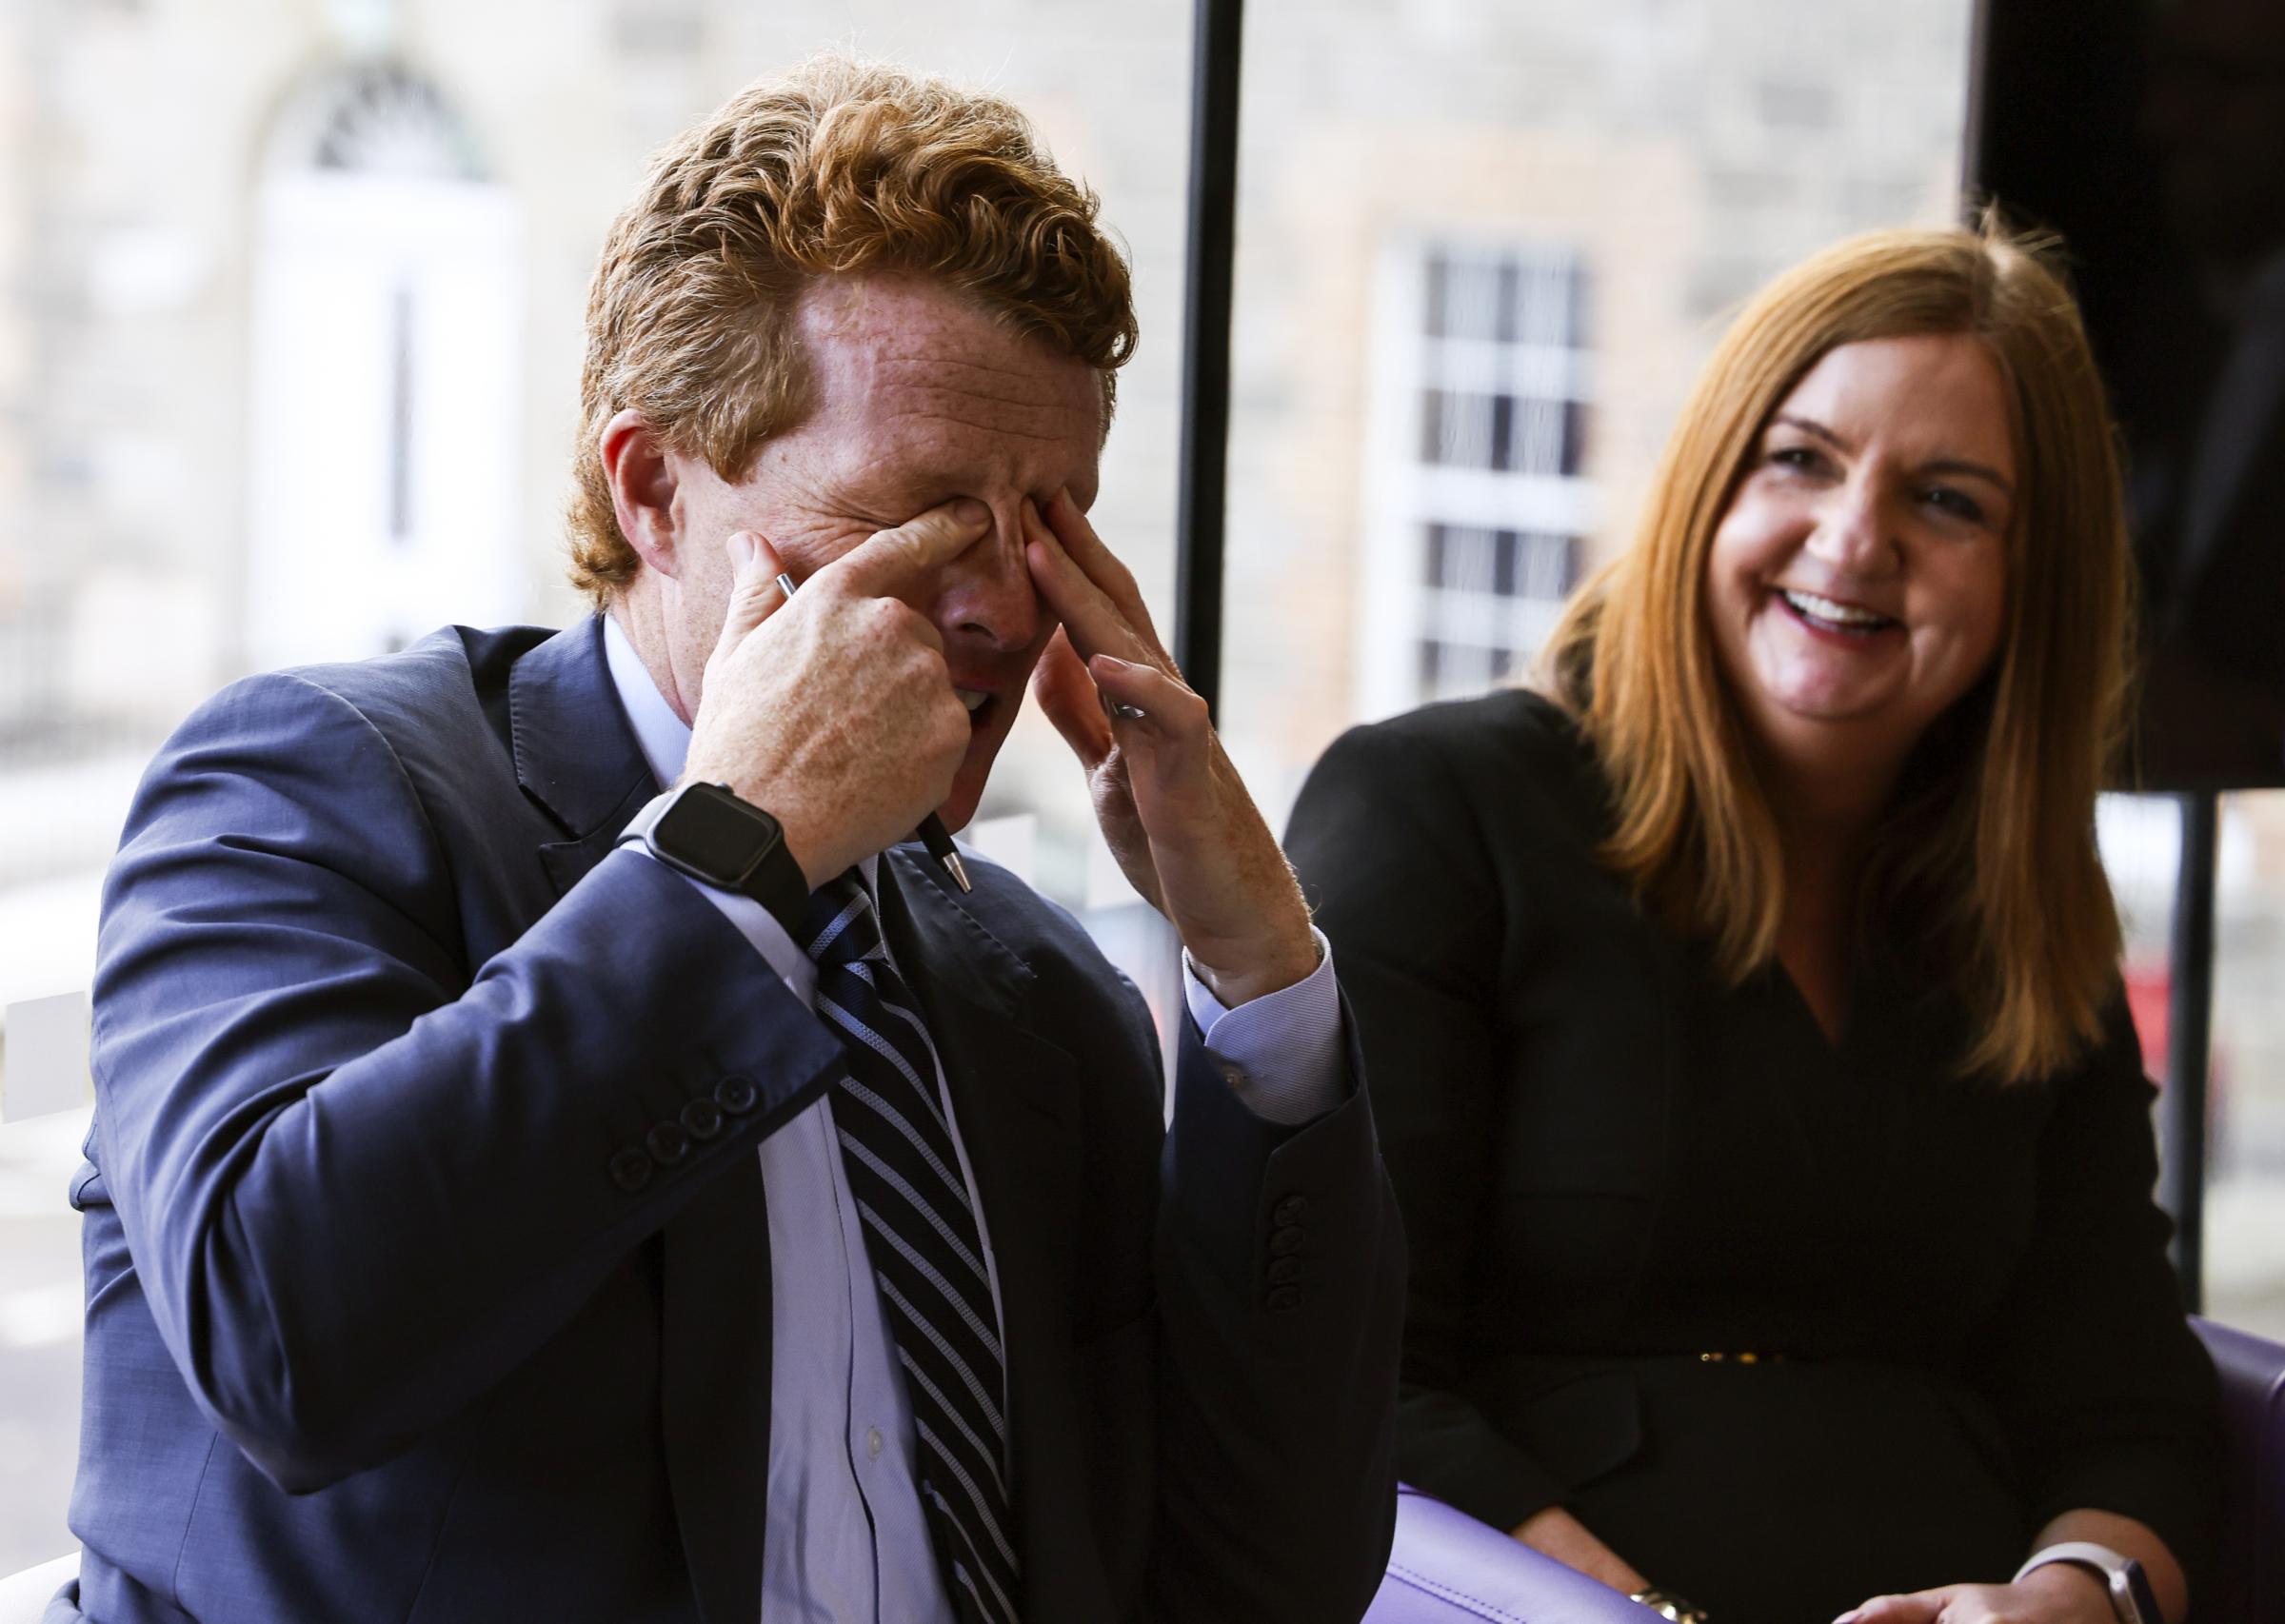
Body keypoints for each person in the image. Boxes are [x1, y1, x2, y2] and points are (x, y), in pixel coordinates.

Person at [63, 57, 1402, 1624]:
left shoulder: (1041, 992)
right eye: (920, 514)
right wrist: (739, 859)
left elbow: (1272, 1575)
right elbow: (285, 1330)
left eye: (1046, 520)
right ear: (654, 492)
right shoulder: (317, 793)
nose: (996, 602)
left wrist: (1262, 972)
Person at [1286, 223, 2219, 1624]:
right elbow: (1346, 1374)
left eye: (1951, 500)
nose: (1855, 540)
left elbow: (2131, 1403)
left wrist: (2075, 1596)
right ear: (1712, 481)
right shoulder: (1438, 807)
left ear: (2038, 577)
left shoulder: (2024, 909)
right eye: (1802, 459)